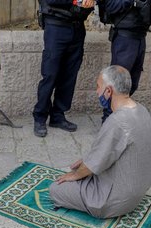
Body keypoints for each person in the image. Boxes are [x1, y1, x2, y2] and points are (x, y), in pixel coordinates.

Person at [49, 65, 151, 219]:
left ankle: (95, 202)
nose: (97, 92)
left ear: (108, 91)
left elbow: (94, 164)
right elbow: (111, 152)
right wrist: (87, 160)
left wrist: (75, 175)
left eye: (98, 87)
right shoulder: (142, 110)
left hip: (114, 201)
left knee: (56, 190)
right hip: (139, 192)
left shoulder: (117, 121)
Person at [33, 0, 95, 137]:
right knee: (50, 74)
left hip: (77, 27)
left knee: (69, 76)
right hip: (56, 26)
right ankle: (40, 117)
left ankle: (57, 116)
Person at [100, 0, 151, 122]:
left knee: (132, 82)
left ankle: (118, 113)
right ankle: (108, 119)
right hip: (124, 37)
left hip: (141, 35)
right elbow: (109, 6)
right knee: (117, 82)